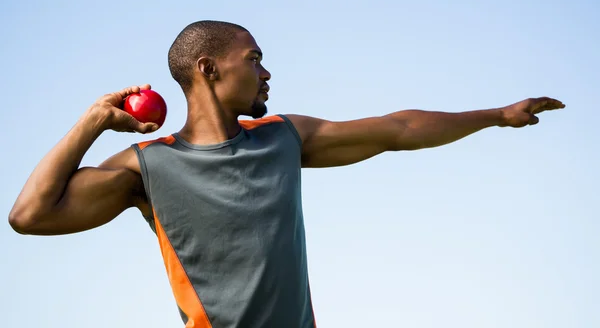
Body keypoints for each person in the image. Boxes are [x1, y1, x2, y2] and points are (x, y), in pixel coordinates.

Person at [8, 20, 565, 328]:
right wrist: (92, 122)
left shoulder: (283, 137)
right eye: (253, 59)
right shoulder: (148, 167)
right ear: (207, 69)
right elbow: (29, 216)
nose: (266, 71)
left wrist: (495, 115)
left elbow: (397, 128)